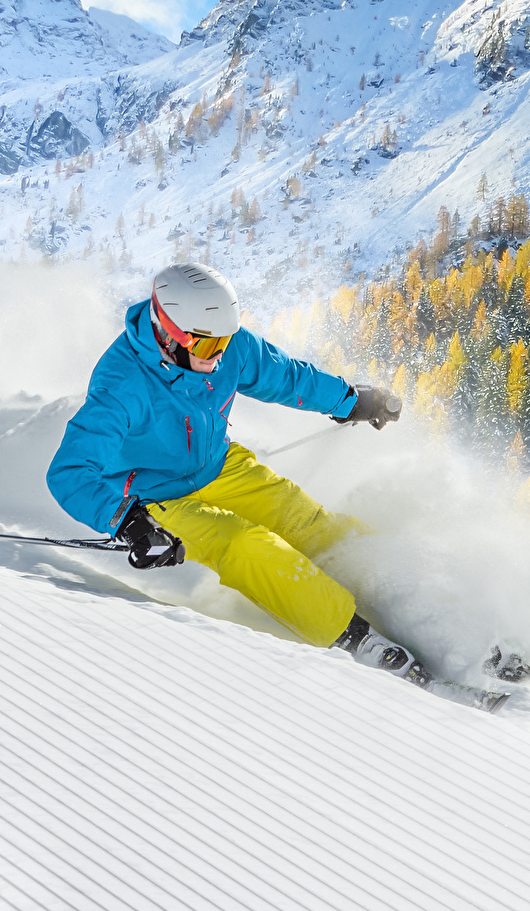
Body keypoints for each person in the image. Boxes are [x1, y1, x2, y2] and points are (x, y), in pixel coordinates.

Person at [46, 263, 423, 682]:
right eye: (209, 348)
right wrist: (129, 522)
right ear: (170, 336)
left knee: (305, 520)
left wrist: (348, 400)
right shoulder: (123, 384)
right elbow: (69, 471)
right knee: (246, 546)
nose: (221, 356)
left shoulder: (223, 348)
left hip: (219, 466)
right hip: (158, 496)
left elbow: (282, 374)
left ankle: (414, 598)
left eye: (226, 342)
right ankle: (355, 638)